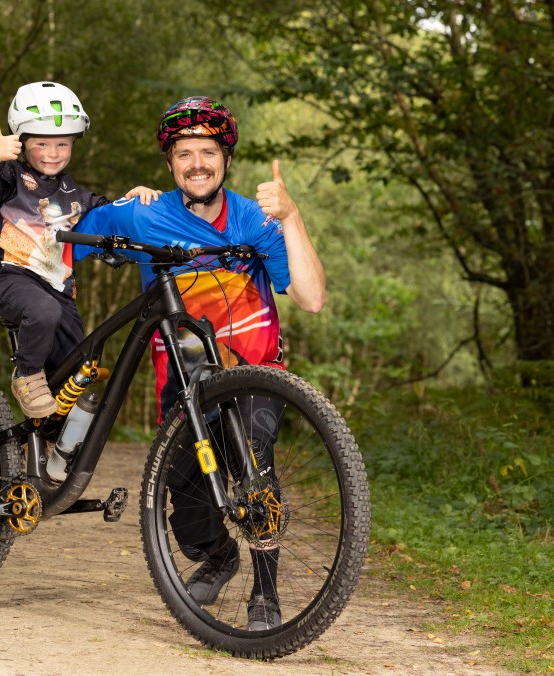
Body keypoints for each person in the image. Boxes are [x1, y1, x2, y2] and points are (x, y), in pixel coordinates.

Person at [68, 96, 326, 631]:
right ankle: (218, 556)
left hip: (255, 374)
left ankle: (266, 594)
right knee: (186, 515)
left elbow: (311, 297)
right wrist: (9, 282)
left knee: (253, 461)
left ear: (226, 159)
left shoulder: (253, 219)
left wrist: (293, 217)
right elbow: (63, 238)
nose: (197, 163)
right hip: (186, 386)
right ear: (170, 164)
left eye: (207, 151)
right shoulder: (144, 215)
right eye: (185, 153)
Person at [0, 81, 158, 418]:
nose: (52, 153)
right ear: (22, 141)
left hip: (60, 289)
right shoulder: (12, 177)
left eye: (62, 144)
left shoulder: (77, 194)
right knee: (44, 311)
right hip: (15, 277)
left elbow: (107, 215)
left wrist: (134, 198)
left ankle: (52, 444)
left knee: (79, 365)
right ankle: (27, 375)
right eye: (41, 143)